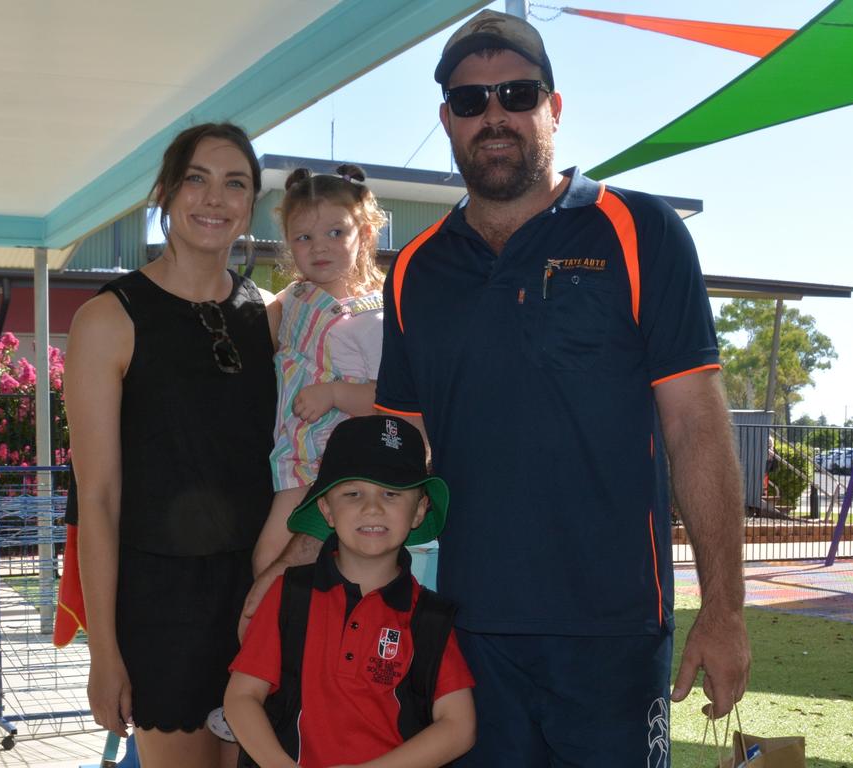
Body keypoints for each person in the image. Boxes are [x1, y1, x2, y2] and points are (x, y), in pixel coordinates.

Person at [245, 10, 751, 766]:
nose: (495, 114)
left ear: (553, 106)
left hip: (612, 630)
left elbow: (695, 427)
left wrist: (726, 607)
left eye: (517, 92)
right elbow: (395, 451)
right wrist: (293, 560)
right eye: (471, 99)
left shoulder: (640, 232)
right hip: (465, 633)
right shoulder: (418, 269)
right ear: (446, 118)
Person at [64, 122, 278, 768]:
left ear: (250, 205)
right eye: (197, 179)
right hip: (161, 605)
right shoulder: (108, 320)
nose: (215, 199)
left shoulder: (266, 316)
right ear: (165, 190)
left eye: (234, 183)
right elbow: (96, 498)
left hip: (257, 596)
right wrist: (105, 652)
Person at [225, 415, 476, 768]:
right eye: (353, 493)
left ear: (419, 510)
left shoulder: (429, 619)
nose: (372, 508)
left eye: (391, 493)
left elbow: (459, 726)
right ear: (326, 508)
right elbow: (241, 697)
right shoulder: (288, 595)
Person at [250, 165, 388, 578]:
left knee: (271, 560)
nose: (318, 247)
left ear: (363, 236)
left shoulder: (375, 317)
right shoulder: (292, 299)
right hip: (290, 455)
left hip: (329, 460)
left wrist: (334, 395)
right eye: (303, 237)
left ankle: (267, 634)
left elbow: (389, 399)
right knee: (285, 564)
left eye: (335, 233)